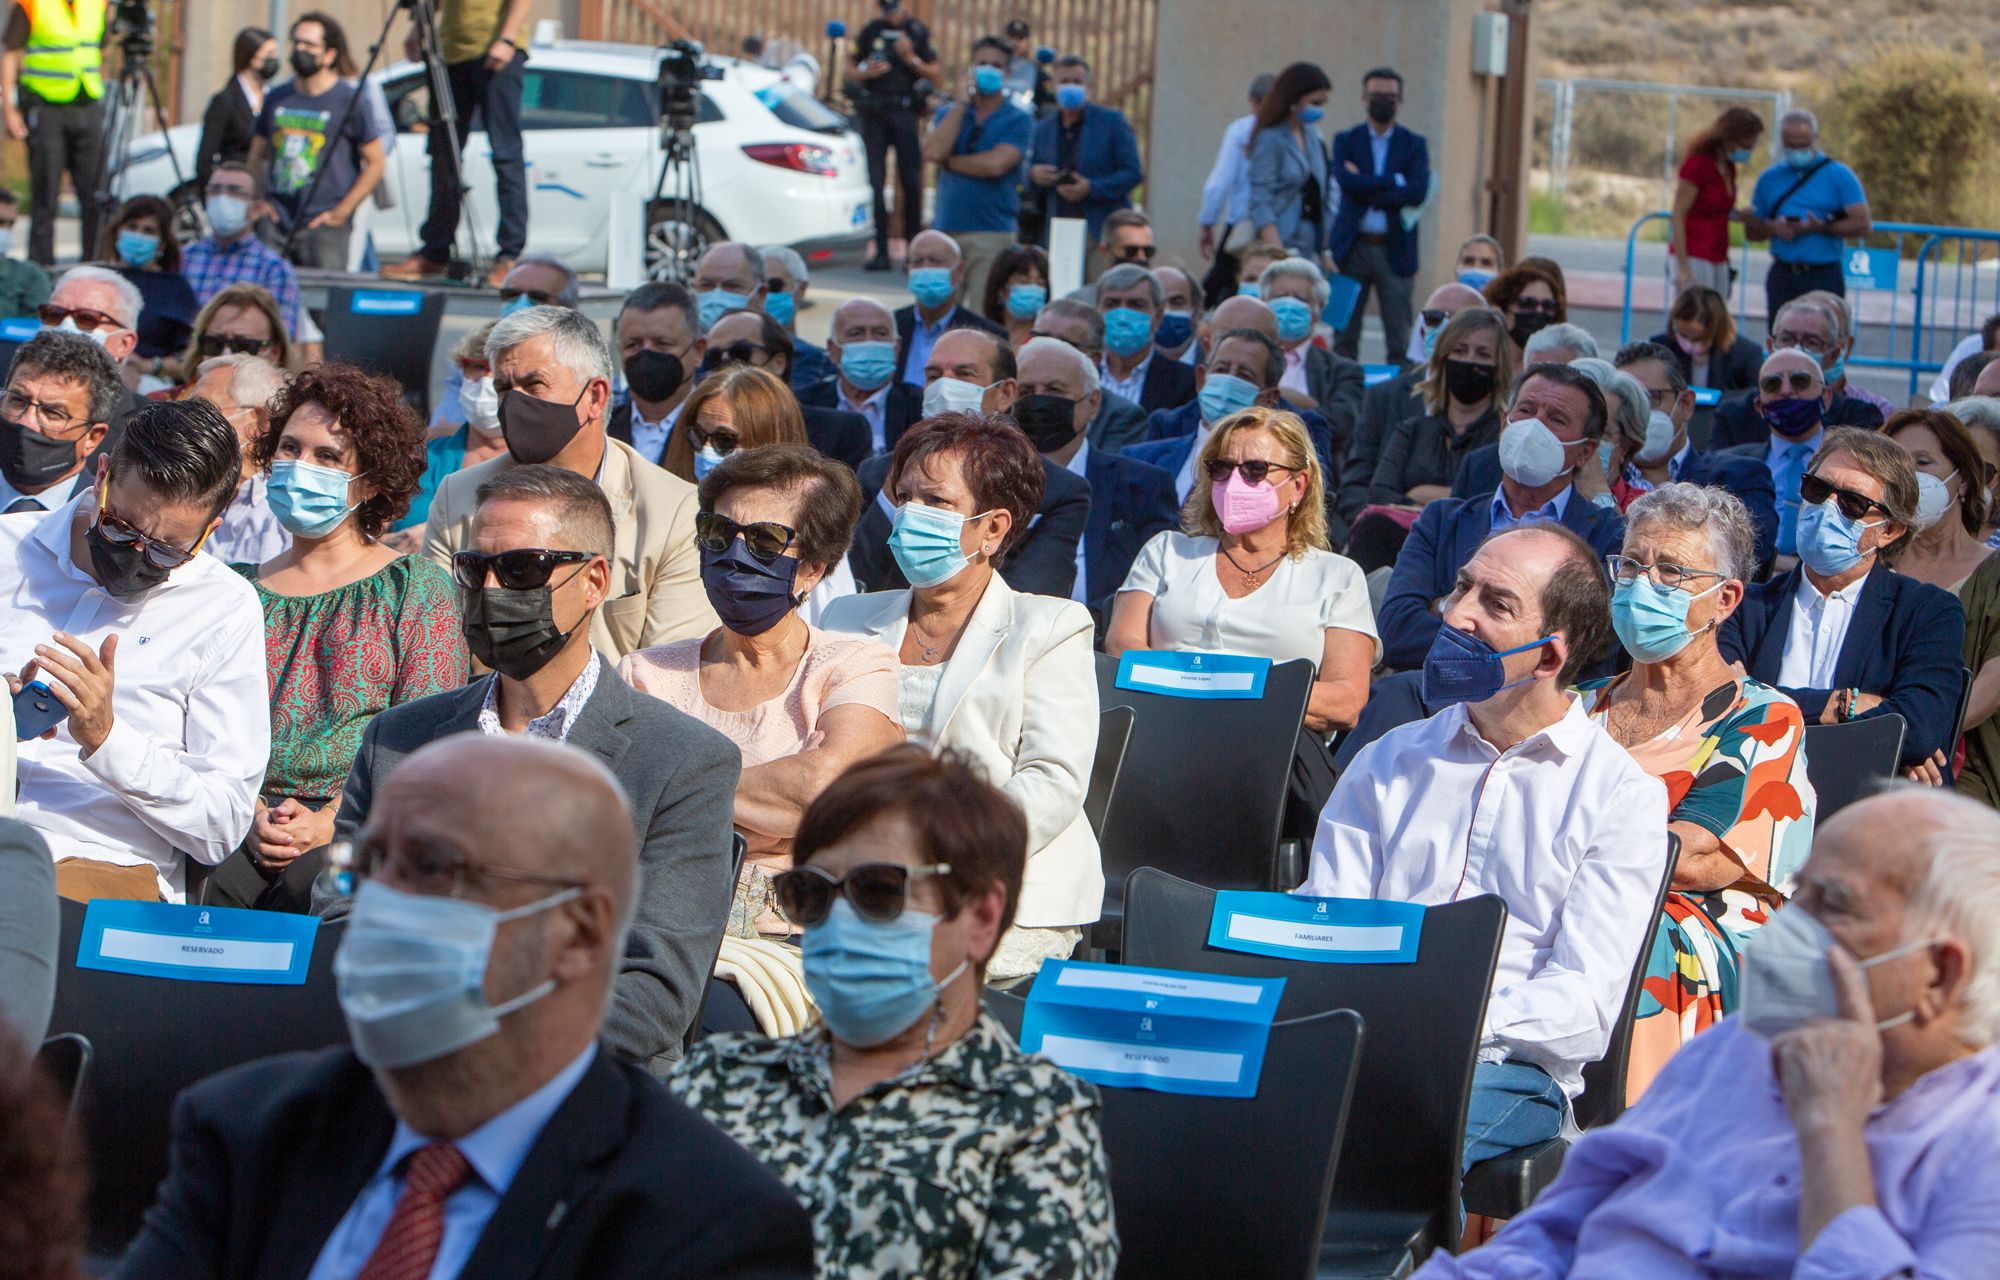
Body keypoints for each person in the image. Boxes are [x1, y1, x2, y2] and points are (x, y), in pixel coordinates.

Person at [123, 735, 813, 1279]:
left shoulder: (703, 1223)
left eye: (433, 869)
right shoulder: (249, 1130)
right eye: (367, 869)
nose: (380, 908)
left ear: (577, 932)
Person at [1414, 787, 2000, 1279]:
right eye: (1802, 892)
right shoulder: (1736, 1049)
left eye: (1835, 905)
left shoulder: (1981, 1143)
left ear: (1940, 974)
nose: (1790, 924)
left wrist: (1829, 1131)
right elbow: (1557, 1231)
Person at [333, 466, 739, 1067]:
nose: (492, 588)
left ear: (594, 580)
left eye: (523, 569)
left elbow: (654, 995)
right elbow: (342, 916)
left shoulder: (681, 762)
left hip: (575, 1092)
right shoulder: (399, 739)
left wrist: (473, 1031)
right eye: (475, 569)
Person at [671, 745, 1117, 1276]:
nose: (838, 922)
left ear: (979, 916)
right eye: (810, 893)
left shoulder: (1032, 1125)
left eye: (879, 890)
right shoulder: (720, 1076)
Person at [1306, 521, 1669, 1170]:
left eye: (1495, 604)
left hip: (1509, 1071)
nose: (1456, 614)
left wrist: (1441, 1013)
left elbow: (1583, 1007)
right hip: (1359, 1041)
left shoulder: (1619, 796)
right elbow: (1325, 918)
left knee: (1369, 1141)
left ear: (1550, 657)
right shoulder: (1387, 761)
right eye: (1461, 587)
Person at [822, 413, 1106, 970]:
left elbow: (1053, 783)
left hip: (995, 886)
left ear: (994, 527)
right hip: (856, 879)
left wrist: (933, 851)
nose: (910, 516)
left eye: (936, 502)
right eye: (903, 497)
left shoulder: (1050, 627)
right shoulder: (845, 619)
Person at [1581, 484, 1815, 1099]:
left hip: (1694, 925)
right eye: (1632, 565)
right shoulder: (1578, 708)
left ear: (1725, 600)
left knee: (1630, 937)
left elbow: (1696, 859)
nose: (1642, 585)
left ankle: (1634, 1147)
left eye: (1672, 572)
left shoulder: (1761, 716)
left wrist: (1560, 845)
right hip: (1574, 893)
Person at [211, 364, 467, 913]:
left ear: (370, 479)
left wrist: (329, 821)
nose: (300, 467)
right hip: (233, 815)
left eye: (327, 457)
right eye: (289, 448)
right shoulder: (231, 587)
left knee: (324, 894)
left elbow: (427, 735)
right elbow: (196, 720)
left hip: (364, 824)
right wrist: (250, 810)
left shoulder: (415, 587)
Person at [619, 444, 902, 937]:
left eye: (766, 541)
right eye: (718, 533)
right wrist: (770, 807)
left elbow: (823, 792)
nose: (734, 555)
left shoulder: (853, 666)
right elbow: (617, 809)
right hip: (655, 926)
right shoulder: (645, 674)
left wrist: (670, 790)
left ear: (813, 568)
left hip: (790, 940)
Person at [0, 399, 267, 903]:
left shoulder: (223, 609)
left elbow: (222, 824)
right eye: (120, 528)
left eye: (168, 550)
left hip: (98, 865)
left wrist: (107, 739)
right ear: (101, 474)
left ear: (212, 528)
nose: (138, 555)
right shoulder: (6, 548)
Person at [425, 305, 716, 658]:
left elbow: (667, 670)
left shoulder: (674, 512)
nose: (515, 403)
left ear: (595, 396)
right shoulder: (458, 498)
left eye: (534, 384)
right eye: (504, 388)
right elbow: (439, 649)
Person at [1109, 405, 1376, 735]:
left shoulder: (1338, 576)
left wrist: (1228, 685)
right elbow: (1122, 646)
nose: (1234, 481)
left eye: (1255, 469)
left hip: (1275, 743)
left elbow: (1345, 701)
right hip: (1163, 727)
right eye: (1221, 468)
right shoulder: (1167, 551)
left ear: (1297, 486)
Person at [1721, 427, 1966, 774]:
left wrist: (1760, 701)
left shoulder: (1927, 611)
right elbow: (1718, 709)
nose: (1827, 507)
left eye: (1853, 503)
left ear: (1889, 530)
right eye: (1817, 490)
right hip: (1758, 793)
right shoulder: (1744, 606)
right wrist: (1846, 706)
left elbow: (1918, 729)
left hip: (1872, 805)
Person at [1378, 363, 1625, 670]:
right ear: (1503, 423)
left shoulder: (1609, 535)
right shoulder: (1442, 521)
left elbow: (1590, 647)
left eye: (1556, 419)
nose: (1535, 426)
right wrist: (1519, 639)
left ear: (1585, 452)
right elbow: (1397, 630)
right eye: (1525, 410)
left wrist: (1445, 606)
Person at [852, 327, 1091, 598]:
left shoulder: (1059, 490)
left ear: (1005, 393)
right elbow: (854, 580)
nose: (945, 386)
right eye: (934, 376)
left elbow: (1031, 592)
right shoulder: (877, 473)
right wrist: (893, 496)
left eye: (965, 374)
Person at [1008, 337, 1176, 610]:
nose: (1040, 400)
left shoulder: (1143, 485)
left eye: (1054, 389)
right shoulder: (987, 480)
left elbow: (1159, 582)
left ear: (1093, 402)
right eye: (1027, 392)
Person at [378, 0, 530, 287]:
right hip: (449, 53)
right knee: (443, 154)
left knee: (505, 153)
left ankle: (510, 257)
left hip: (494, 46)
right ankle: (435, 251)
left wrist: (507, 37)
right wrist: (417, 30)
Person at [1612, 340, 1779, 566]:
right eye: (1628, 403)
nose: (1640, 413)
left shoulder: (1738, 476)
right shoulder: (1602, 479)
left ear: (1687, 404)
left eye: (1652, 399)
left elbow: (1750, 558)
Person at [246, 12, 388, 271]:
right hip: (276, 221)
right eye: (296, 43)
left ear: (330, 55)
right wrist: (259, 198)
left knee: (323, 307)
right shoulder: (277, 97)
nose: (300, 50)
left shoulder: (349, 99)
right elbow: (256, 155)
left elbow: (376, 163)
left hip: (323, 226)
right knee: (264, 302)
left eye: (310, 45)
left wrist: (342, 212)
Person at [1340, 281, 1485, 523]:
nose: (1446, 327)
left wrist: (1416, 499)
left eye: (1460, 321)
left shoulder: (1500, 408)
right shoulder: (1384, 397)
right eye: (1434, 318)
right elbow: (1355, 487)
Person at [921, 37, 1032, 308]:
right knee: (938, 312)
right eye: (982, 63)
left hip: (991, 232)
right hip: (947, 228)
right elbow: (933, 152)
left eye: (996, 65)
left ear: (1007, 74)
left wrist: (951, 162)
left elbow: (995, 165)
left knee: (986, 314)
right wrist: (961, 104)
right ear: (970, 69)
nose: (989, 69)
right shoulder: (950, 114)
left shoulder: (1018, 118)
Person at [1126, 320, 1293, 499]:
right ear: (1201, 380)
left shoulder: (1279, 476)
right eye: (1221, 369)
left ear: (1269, 398)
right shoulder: (1140, 459)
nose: (1228, 382)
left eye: (1244, 375)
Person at [1366, 306, 1511, 512]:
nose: (1469, 361)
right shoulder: (1412, 430)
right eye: (1460, 351)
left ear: (1498, 368)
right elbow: (1379, 494)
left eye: (1483, 354)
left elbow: (1490, 501)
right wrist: (1453, 499)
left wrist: (1417, 495)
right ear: (1443, 359)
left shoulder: (1505, 439)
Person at [1329, 66, 1430, 363]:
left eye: (1390, 96)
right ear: (1363, 99)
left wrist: (1366, 184)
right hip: (1349, 249)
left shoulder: (1415, 144)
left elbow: (1417, 192)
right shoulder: (1345, 140)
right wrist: (1393, 180)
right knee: (1342, 334)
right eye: (1376, 95)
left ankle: (1396, 403)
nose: (1383, 101)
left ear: (1400, 101)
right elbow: (1347, 184)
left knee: (1399, 338)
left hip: (1395, 251)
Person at [1705, 296, 1887, 452]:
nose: (1797, 348)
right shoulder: (1734, 414)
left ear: (1833, 356)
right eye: (1786, 339)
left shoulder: (1859, 421)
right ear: (1771, 346)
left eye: (1812, 341)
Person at [0, 0, 103, 266]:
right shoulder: (33, 4)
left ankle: (93, 264)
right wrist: (10, 109)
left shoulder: (97, 4)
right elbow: (10, 52)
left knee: (95, 196)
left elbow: (96, 48)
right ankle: (41, 267)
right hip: (47, 107)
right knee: (45, 195)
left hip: (87, 103)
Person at [1720, 346, 1848, 560]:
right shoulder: (1730, 466)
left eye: (1800, 380)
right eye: (1773, 384)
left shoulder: (1853, 466)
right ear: (1760, 406)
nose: (1786, 390)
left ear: (1826, 397)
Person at [703, 309, 870, 471]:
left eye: (740, 352)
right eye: (714, 357)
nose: (727, 365)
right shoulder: (696, 430)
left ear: (778, 362)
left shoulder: (839, 431)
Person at [1743, 108, 1871, 316]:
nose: (1797, 150)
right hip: (1784, 272)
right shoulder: (1769, 178)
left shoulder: (1839, 175)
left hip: (1824, 273)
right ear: (1783, 142)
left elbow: (1863, 225)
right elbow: (1752, 233)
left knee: (1825, 336)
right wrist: (1772, 227)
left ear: (1814, 139)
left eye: (1802, 144)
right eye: (1791, 145)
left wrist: (1820, 227)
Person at [847, 0, 940, 273]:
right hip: (875, 112)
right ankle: (881, 251)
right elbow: (849, 70)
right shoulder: (870, 31)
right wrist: (866, 72)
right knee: (875, 180)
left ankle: (914, 252)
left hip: (905, 112)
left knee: (911, 181)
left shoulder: (917, 31)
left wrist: (910, 56)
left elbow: (935, 73)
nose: (890, 12)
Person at [396, 322, 505, 545]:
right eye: (478, 367)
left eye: (500, 372)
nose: (486, 380)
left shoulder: (541, 462)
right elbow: (369, 533)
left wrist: (437, 536)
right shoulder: (422, 456)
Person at [1029, 53, 1142, 250]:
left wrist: (1091, 188)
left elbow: (1133, 173)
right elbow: (1027, 174)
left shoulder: (1113, 122)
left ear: (1088, 86)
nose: (1069, 86)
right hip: (1059, 229)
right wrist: (1034, 175)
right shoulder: (1043, 128)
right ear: (1054, 86)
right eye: (1063, 81)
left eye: (1076, 81)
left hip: (1101, 231)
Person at [0, 329, 119, 516]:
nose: (27, 421)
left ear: (93, 437)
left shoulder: (107, 523)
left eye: (52, 413)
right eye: (17, 400)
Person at [189, 352, 292, 566]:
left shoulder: (289, 510)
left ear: (259, 421)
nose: (189, 422)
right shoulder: (183, 492)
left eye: (204, 410)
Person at [182, 163, 303, 337]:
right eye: (215, 190)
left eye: (235, 191)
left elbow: (280, 340)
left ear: (257, 207)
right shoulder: (183, 258)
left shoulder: (274, 270)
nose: (222, 197)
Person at [1885, 407, 1991, 595]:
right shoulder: (1870, 562)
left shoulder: (1993, 574)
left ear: (1964, 479)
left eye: (1923, 462)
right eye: (1896, 464)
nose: (1908, 476)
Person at [800, 296, 923, 457]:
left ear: (897, 346)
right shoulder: (803, 405)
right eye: (855, 333)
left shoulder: (919, 406)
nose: (868, 341)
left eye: (880, 333)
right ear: (832, 349)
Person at [1257, 255, 1365, 436]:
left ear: (1318, 309)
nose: (1289, 304)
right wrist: (1308, 405)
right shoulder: (1240, 357)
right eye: (1280, 296)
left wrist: (1283, 400)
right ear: (1264, 301)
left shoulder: (1342, 371)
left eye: (1299, 298)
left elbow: (1340, 424)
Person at [1196, 72, 1275, 307]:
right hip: (1282, 227)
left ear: (1253, 102)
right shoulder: (1300, 132)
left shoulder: (1242, 131)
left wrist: (1207, 221)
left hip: (1244, 222)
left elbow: (1220, 181)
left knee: (1226, 286)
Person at [605, 282, 703, 468]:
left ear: (698, 351)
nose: (646, 354)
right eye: (633, 344)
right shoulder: (600, 431)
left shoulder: (715, 432)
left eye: (662, 343)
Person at [660, 362, 807, 485]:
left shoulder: (804, 516)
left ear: (769, 440)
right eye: (697, 435)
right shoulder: (669, 508)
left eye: (724, 439)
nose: (706, 449)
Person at [1669, 106, 1764, 296]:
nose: (1749, 150)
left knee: (1717, 313)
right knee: (1697, 312)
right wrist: (1683, 266)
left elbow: (1716, 207)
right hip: (1695, 251)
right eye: (1746, 145)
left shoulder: (1728, 167)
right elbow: (1678, 214)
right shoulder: (1698, 166)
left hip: (1719, 253)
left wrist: (1737, 215)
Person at [1029, 296, 1145, 452]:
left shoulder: (1121, 416)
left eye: (1064, 346)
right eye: (1040, 339)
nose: (1047, 352)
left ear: (1094, 359)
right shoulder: (1009, 399)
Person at [894, 229, 1005, 388]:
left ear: (959, 270)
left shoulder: (986, 335)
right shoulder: (891, 327)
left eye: (935, 261)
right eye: (918, 261)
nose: (926, 268)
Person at [100, 196, 199, 373]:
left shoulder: (175, 288)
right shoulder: (96, 278)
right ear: (117, 232)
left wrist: (150, 366)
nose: (138, 235)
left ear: (162, 243)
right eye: (132, 227)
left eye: (148, 231)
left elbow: (190, 356)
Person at [1246, 62, 1333, 260]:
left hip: (1311, 243)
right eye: (1315, 103)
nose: (1319, 110)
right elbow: (1261, 199)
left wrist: (1326, 250)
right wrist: (1276, 249)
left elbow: (1320, 195)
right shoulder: (1271, 138)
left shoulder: (1311, 135)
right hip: (1282, 239)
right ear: (1295, 99)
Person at [1095, 262, 1197, 415]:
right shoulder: (1077, 373)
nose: (1122, 315)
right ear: (1097, 311)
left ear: (1159, 315)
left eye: (1136, 304)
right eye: (1112, 304)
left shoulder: (1186, 382)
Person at [195, 27, 277, 190]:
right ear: (250, 55)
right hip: (236, 191)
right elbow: (205, 160)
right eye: (268, 54)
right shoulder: (225, 101)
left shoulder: (275, 99)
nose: (273, 60)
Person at [174, 281, 293, 392]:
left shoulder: (296, 413)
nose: (226, 355)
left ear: (275, 352)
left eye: (244, 346)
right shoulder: (164, 407)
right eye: (215, 344)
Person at [1649, 283, 1762, 393]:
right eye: (1683, 335)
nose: (1689, 344)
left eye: (1698, 339)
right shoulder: (1660, 349)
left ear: (1717, 332)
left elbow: (1753, 398)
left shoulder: (1746, 355)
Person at [758, 244, 832, 390]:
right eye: (757, 288)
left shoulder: (821, 363)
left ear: (801, 289)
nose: (764, 295)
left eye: (774, 286)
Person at [1483, 262, 1565, 363]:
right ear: (1503, 310)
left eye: (1548, 305)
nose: (1539, 311)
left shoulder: (1563, 369)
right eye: (1528, 304)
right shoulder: (1484, 362)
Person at [688, 241, 767, 335]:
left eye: (732, 286)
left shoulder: (780, 347)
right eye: (707, 285)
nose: (716, 297)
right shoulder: (676, 346)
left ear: (760, 295)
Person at [982, 241, 1049, 349]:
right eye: (1023, 281)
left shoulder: (1046, 341)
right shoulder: (982, 336)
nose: (1033, 289)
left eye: (1040, 283)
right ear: (1001, 288)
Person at [0, 188, 48, 319]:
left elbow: (36, 329)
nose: (5, 230)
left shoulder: (29, 276)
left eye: (11, 224)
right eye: (0, 222)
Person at [1154, 264, 1202, 365]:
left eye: (1177, 302)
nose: (1166, 310)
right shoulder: (1126, 365)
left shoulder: (1213, 362)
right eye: (1157, 303)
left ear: (1195, 308)